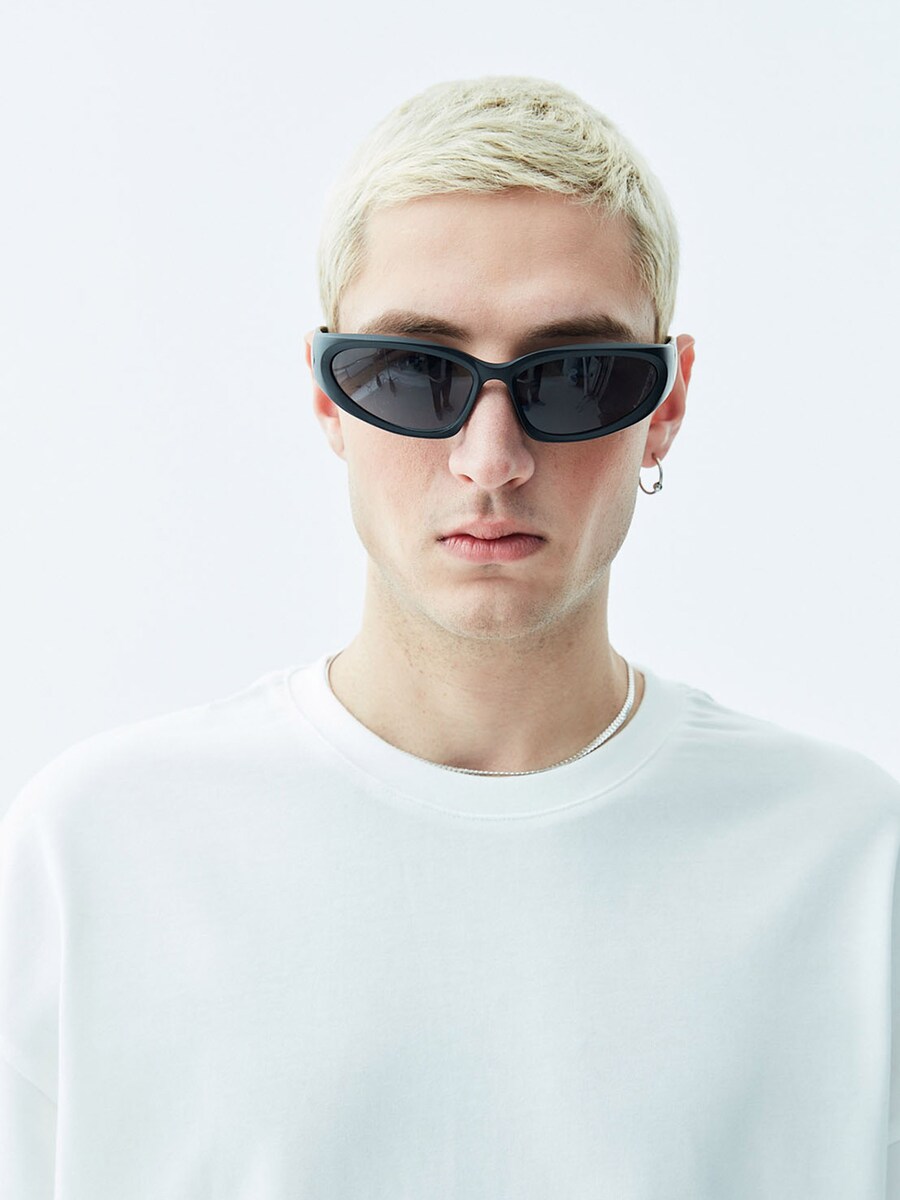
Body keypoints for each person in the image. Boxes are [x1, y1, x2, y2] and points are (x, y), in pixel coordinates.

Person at [2, 75, 899, 1199]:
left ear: (666, 405)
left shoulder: (850, 866)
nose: (491, 459)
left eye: (573, 376)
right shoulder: (98, 856)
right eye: (416, 372)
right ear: (328, 397)